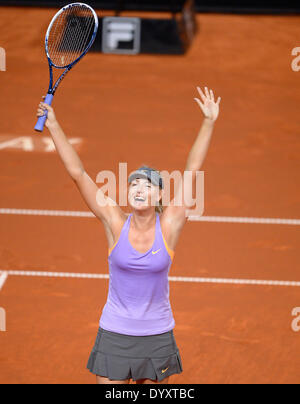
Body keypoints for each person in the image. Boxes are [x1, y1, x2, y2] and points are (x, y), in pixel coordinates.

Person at [36, 86, 221, 384]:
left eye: (146, 185)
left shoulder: (170, 224)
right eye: (134, 184)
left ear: (159, 194)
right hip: (114, 333)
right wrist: (54, 124)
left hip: (157, 334)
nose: (138, 189)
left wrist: (209, 122)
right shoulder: (113, 221)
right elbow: (78, 174)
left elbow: (192, 169)